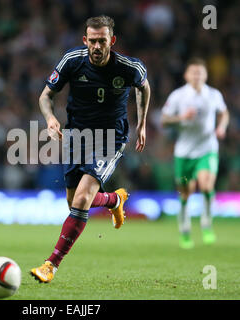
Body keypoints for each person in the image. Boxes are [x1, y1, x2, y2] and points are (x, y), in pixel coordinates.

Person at [30, 15, 150, 282]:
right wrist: (50, 118)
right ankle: (114, 200)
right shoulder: (72, 61)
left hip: (110, 137)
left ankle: (51, 265)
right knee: (74, 202)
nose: (97, 46)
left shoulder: (128, 67)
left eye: (102, 41)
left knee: (82, 200)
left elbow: (144, 87)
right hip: (76, 135)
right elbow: (45, 96)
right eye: (92, 41)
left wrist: (142, 123)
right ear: (85, 40)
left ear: (112, 41)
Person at [161, 58, 229, 249]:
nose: (197, 76)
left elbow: (224, 113)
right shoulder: (178, 96)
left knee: (207, 187)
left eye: (200, 73)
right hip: (184, 152)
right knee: (185, 193)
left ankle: (207, 225)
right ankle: (185, 231)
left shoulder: (213, 94)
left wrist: (222, 126)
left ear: (206, 75)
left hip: (207, 149)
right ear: (186, 75)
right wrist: (181, 117)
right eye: (194, 72)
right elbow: (164, 120)